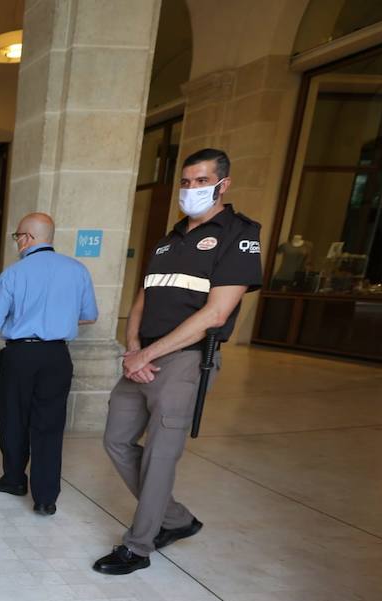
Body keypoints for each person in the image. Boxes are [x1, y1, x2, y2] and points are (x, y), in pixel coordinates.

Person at [94, 148, 262, 575]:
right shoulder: (169, 240)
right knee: (116, 439)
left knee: (159, 458)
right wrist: (132, 350)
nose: (191, 190)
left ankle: (139, 545)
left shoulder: (238, 236)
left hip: (185, 362)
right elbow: (142, 300)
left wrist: (147, 355)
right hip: (142, 357)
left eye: (201, 182)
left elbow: (216, 314)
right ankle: (176, 519)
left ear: (223, 184)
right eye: (185, 183)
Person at [0, 212, 97, 516]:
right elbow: (90, 315)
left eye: (18, 236)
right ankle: (45, 498)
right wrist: (59, 320)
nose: (17, 243)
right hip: (57, 356)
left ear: (27, 238)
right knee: (50, 425)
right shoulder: (78, 270)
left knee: (14, 418)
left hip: (21, 356)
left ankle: (15, 479)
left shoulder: (14, 274)